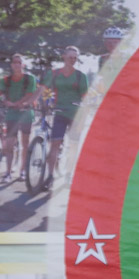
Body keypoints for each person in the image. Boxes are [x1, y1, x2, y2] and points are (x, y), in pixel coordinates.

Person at [42, 46, 89, 183]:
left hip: (75, 115)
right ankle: (50, 176)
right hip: (59, 112)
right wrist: (46, 102)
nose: (72, 60)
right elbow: (45, 90)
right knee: (55, 144)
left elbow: (86, 99)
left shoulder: (81, 76)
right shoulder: (55, 73)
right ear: (64, 57)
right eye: (70, 57)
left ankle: (69, 174)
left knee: (73, 145)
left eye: (75, 58)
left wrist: (84, 117)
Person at [0, 53, 39, 182]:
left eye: (19, 62)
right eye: (15, 62)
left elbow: (29, 95)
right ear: (11, 65)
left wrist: (15, 103)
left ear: (23, 65)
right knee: (9, 145)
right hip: (12, 114)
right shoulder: (6, 80)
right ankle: (8, 172)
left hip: (26, 114)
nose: (17, 65)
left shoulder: (29, 78)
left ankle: (23, 171)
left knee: (25, 144)